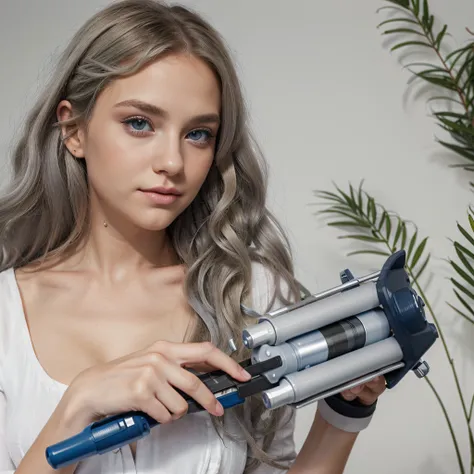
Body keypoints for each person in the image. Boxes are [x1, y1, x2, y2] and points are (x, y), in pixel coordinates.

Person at [0, 1, 387, 473]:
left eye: (198, 134)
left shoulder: (250, 297)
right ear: (73, 129)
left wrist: (345, 414)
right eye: (139, 123)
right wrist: (77, 406)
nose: (173, 162)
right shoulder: (6, 318)